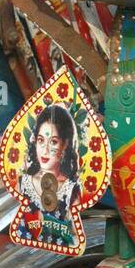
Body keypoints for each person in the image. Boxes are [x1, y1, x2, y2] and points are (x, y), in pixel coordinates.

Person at [16, 104, 81, 247]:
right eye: (41, 140)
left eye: (53, 142)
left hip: (54, 263)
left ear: (65, 145)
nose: (44, 150)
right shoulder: (23, 183)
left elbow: (76, 239)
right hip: (22, 260)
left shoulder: (71, 190)